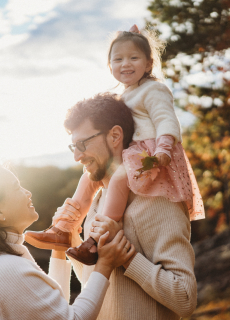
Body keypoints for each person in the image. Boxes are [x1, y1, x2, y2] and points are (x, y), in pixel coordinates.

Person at [25, 25, 204, 265]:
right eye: (118, 59)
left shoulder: (154, 89)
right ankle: (64, 229)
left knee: (119, 178)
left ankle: (96, 240)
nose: (125, 64)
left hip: (151, 152)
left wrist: (163, 150)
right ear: (110, 67)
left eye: (133, 57)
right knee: (87, 178)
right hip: (132, 152)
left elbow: (166, 120)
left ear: (149, 64)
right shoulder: (124, 95)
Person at [26, 92, 198, 319]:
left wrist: (127, 257)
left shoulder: (157, 199)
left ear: (115, 136)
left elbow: (185, 299)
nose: (77, 156)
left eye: (83, 144)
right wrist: (72, 236)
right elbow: (92, 279)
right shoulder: (97, 201)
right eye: (73, 147)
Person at [0, 164, 135, 320]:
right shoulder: (6, 267)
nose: (27, 192)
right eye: (17, 188)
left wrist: (60, 247)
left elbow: (54, 309)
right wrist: (105, 264)